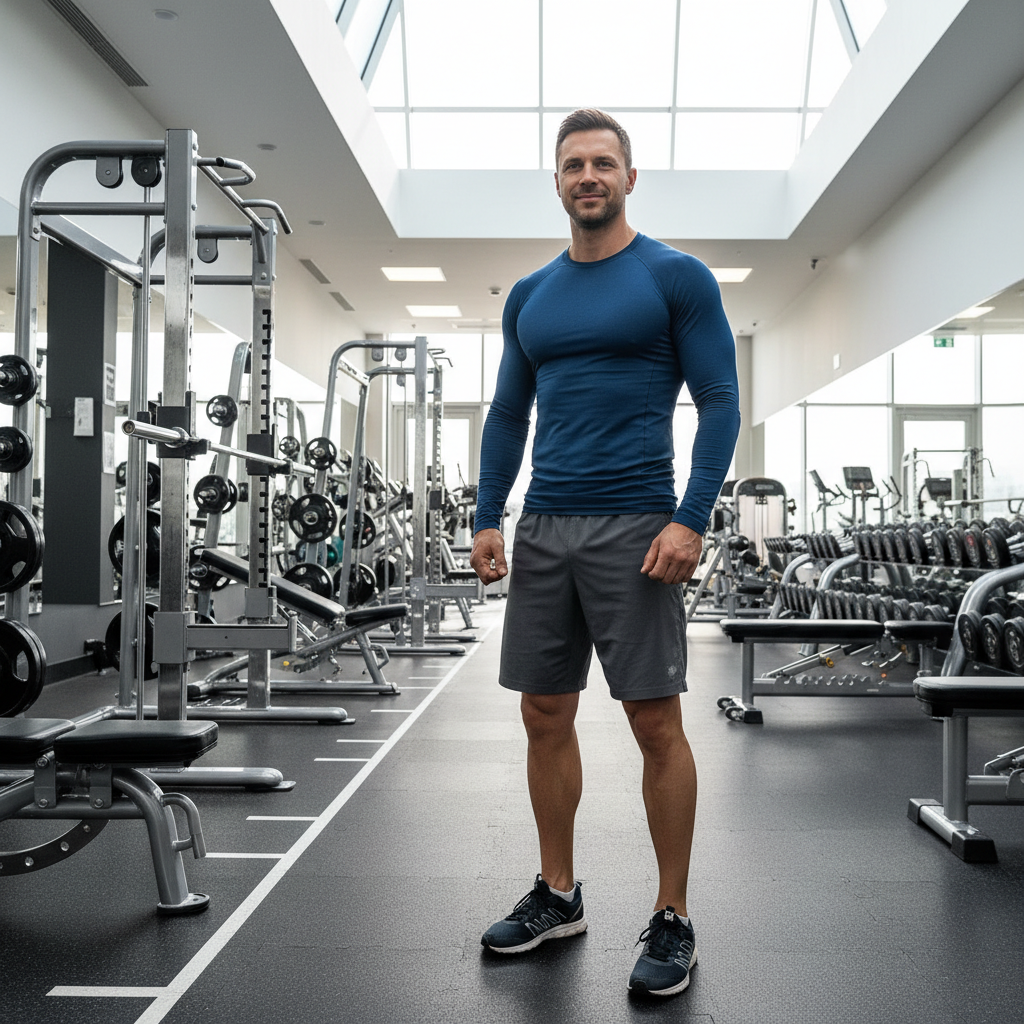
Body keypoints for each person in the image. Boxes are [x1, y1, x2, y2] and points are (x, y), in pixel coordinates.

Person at [470, 108, 740, 998]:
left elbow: (719, 402)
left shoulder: (675, 277)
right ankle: (559, 893)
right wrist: (486, 515)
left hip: (638, 527)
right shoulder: (530, 295)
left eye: (603, 163)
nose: (588, 176)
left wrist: (690, 518)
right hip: (547, 525)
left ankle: (673, 915)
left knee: (653, 722)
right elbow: (510, 413)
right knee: (543, 715)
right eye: (572, 164)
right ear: (556, 181)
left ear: (630, 177)